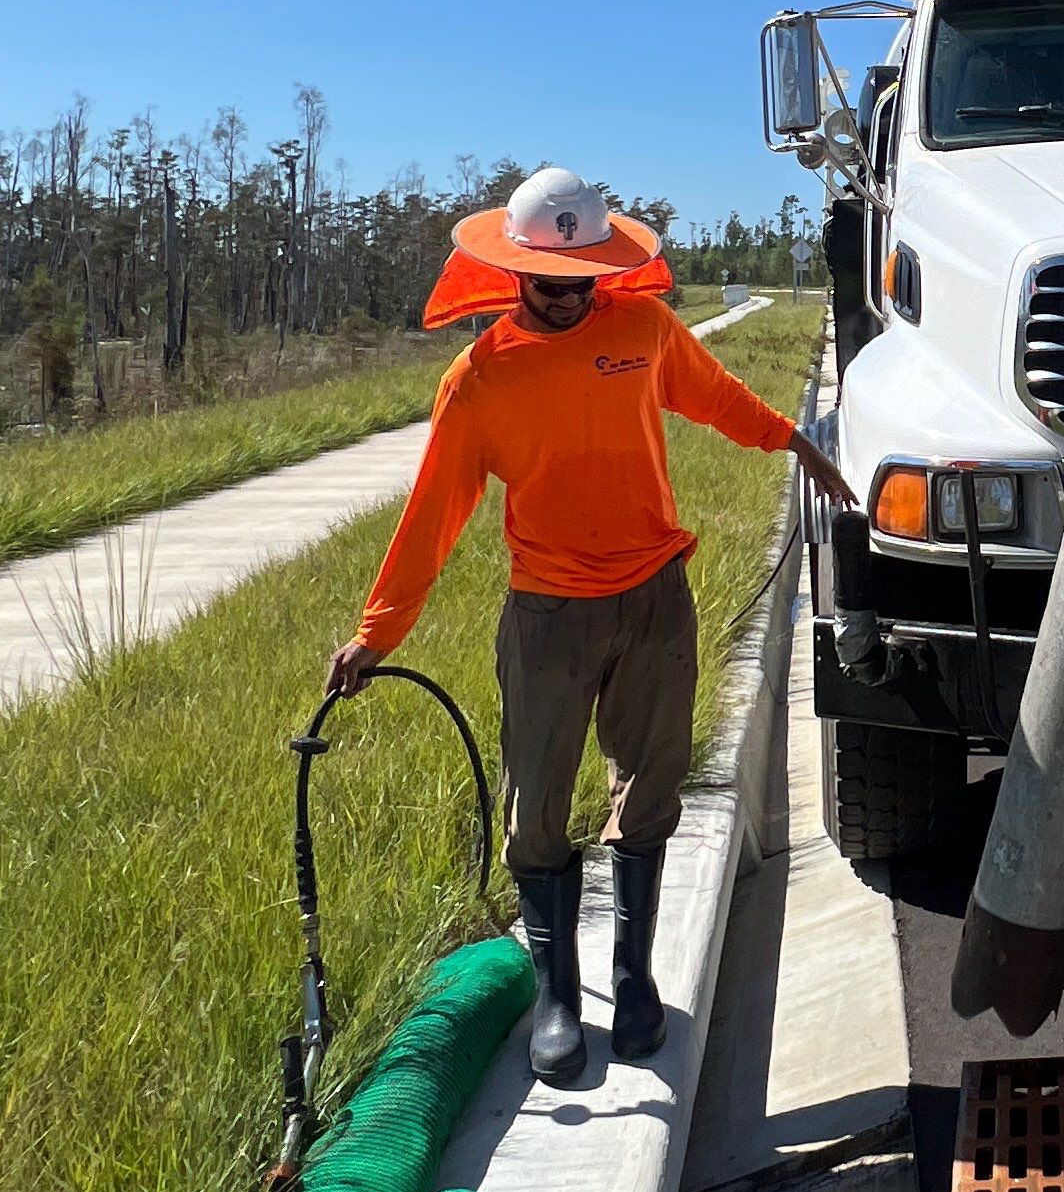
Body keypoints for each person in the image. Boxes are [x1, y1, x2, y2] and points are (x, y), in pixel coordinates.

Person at [325, 166, 853, 1085]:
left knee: (650, 790)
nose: (568, 297)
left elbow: (717, 396)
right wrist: (379, 633)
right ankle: (558, 996)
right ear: (514, 273)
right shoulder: (480, 379)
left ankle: (634, 978)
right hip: (547, 617)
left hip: (654, 600)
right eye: (549, 282)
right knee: (535, 809)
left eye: (582, 281)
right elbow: (433, 514)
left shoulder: (643, 332)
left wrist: (794, 439)